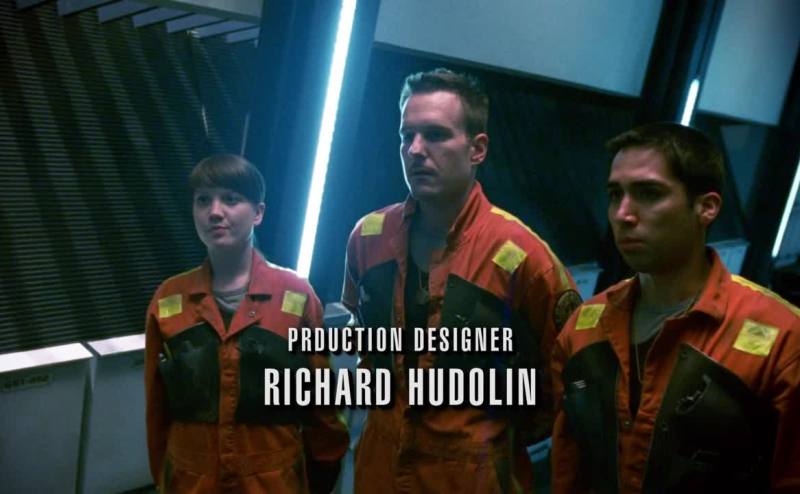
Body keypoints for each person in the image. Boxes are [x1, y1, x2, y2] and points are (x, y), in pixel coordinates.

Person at [341, 68, 581, 492]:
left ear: (477, 149)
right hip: (379, 467)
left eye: (436, 135)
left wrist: (490, 436)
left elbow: (569, 382)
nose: (416, 150)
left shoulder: (523, 258)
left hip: (472, 474)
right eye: (407, 135)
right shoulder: (368, 237)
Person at [551, 122, 800, 493]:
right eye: (615, 194)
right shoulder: (584, 327)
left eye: (649, 193)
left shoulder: (783, 340)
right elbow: (568, 466)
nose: (623, 214)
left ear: (706, 208)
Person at [144, 154, 349, 493]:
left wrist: (322, 474)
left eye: (230, 199)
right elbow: (157, 411)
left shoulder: (295, 296)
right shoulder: (169, 300)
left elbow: (322, 405)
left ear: (258, 213)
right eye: (203, 200)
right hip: (191, 482)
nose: (214, 211)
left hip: (273, 482)